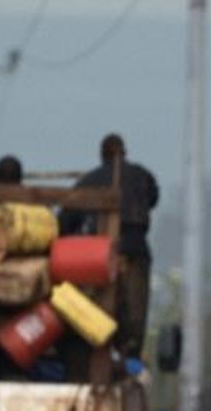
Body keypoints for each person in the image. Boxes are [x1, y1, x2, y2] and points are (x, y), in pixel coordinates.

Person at [58, 133, 160, 360]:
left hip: (100, 255)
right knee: (135, 310)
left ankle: (91, 351)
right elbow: (153, 199)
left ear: (102, 155)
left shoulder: (89, 180)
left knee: (96, 309)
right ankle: (130, 354)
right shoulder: (142, 175)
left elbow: (65, 221)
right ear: (124, 152)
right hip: (136, 248)